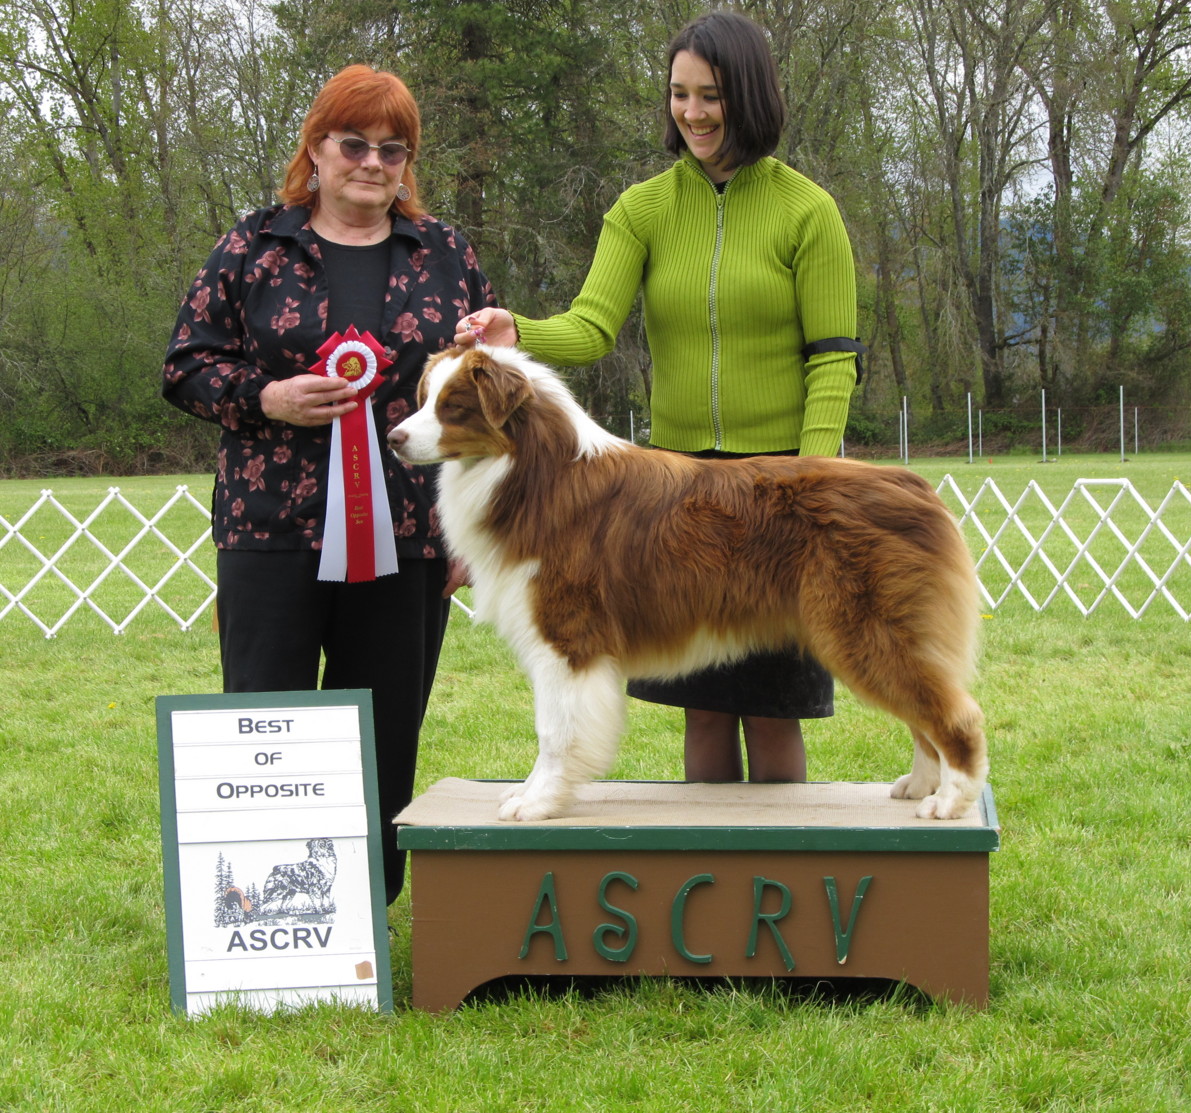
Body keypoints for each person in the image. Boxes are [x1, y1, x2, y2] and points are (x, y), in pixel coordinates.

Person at [453, 11, 860, 785]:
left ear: (749, 94)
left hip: (781, 488)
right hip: (679, 493)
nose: (693, 113)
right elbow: (592, 326)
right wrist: (517, 329)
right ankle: (708, 860)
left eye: (712, 95)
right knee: (702, 707)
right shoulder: (641, 208)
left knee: (774, 710)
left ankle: (786, 860)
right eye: (680, 94)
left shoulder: (809, 211)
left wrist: (813, 481)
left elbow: (834, 359)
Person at [163, 64, 495, 904]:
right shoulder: (252, 246)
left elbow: (488, 394)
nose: (373, 163)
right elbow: (185, 366)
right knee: (264, 732)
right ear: (316, 147)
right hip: (269, 529)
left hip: (410, 536)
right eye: (354, 144)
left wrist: (473, 532)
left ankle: (363, 915)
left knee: (385, 732)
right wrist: (265, 396)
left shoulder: (447, 253)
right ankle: (254, 912)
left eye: (394, 149)